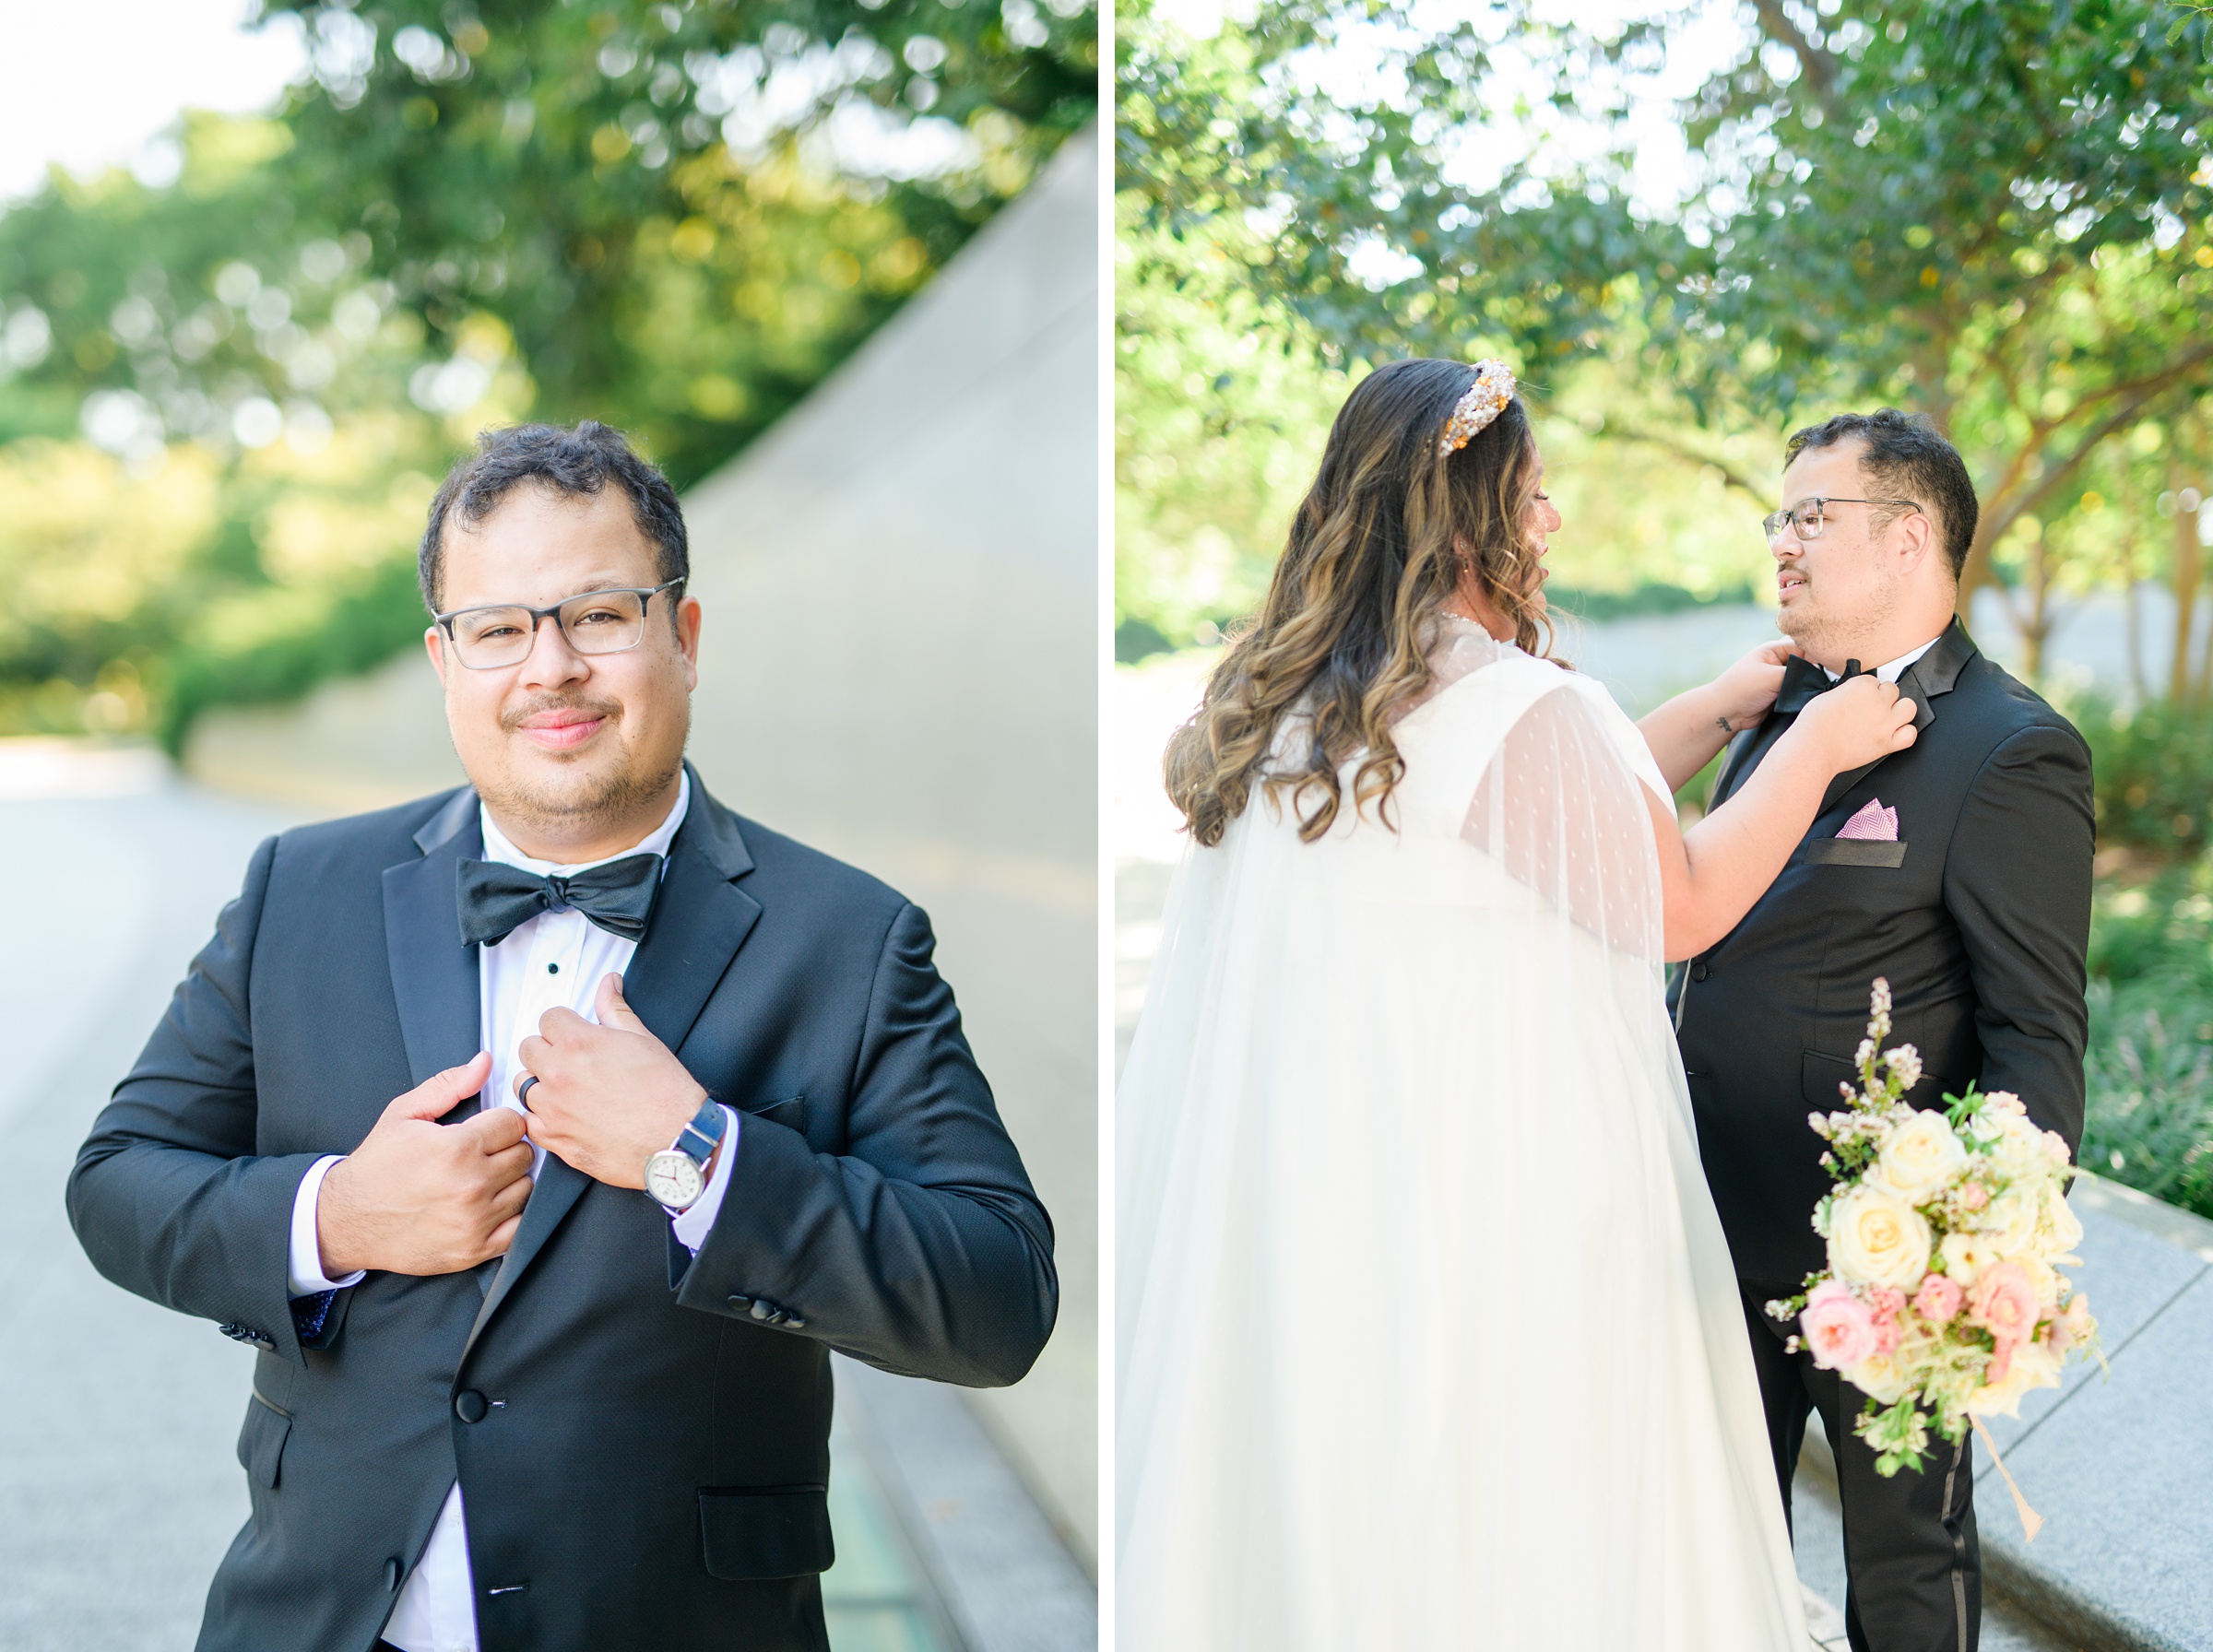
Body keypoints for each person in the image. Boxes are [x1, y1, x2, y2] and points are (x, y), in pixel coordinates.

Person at [66, 421, 1057, 1652]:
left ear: (682, 639)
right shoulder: (297, 891)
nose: (550, 667)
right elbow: (115, 1183)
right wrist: (336, 1217)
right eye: (499, 628)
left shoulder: (849, 940)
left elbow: (999, 1300)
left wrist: (699, 1153)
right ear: (446, 660)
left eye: (598, 614)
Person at [1116, 357, 1919, 1648]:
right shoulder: (1504, 703)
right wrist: (1820, 745)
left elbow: (1544, 824)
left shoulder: (1307, 700)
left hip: (1346, 1205)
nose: (1549, 523)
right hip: (1513, 1204)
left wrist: (1716, 713)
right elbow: (1675, 898)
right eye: (1533, 497)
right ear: (1472, 517)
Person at [1674, 409, 2093, 1652]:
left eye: (1813, 516)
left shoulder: (2011, 751)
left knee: (1906, 1578)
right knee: (1698, 1560)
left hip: (1876, 1267)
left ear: (1909, 537)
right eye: (1778, 518)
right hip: (1701, 1236)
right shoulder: (1774, 714)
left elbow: (2035, 1039)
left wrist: (1980, 1264)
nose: (1784, 544)